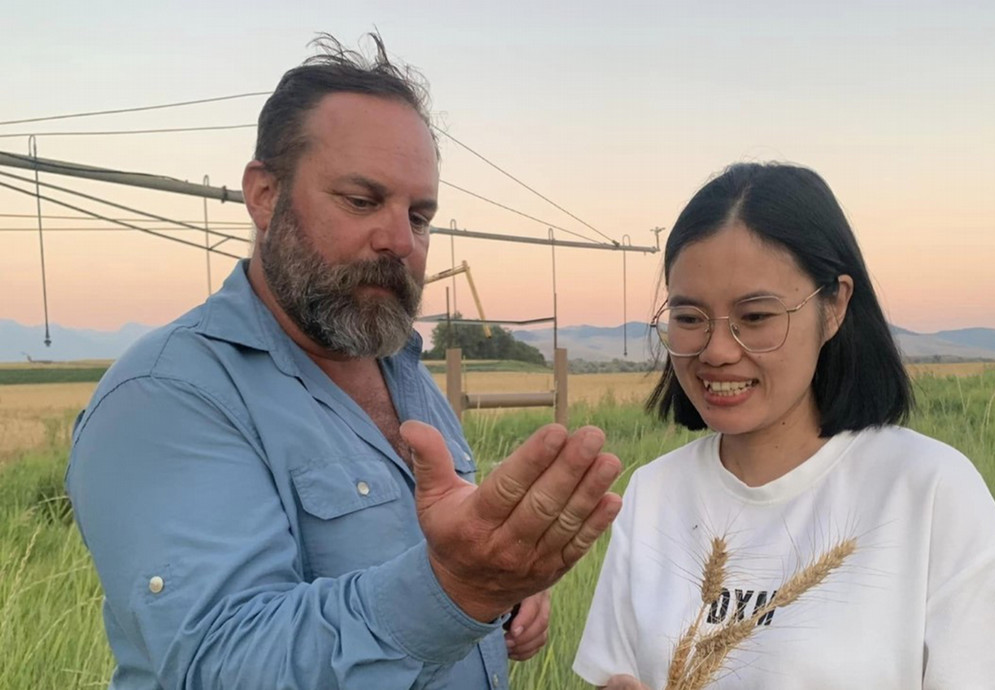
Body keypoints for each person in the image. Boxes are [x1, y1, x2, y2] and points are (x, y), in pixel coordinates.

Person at [66, 34, 624, 690]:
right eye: (362, 201)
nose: (398, 242)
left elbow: (429, 569)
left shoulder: (406, 375)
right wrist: (462, 587)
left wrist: (503, 597)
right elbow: (224, 665)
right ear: (265, 194)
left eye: (419, 216)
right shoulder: (165, 396)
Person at [573, 162, 995, 689]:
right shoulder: (653, 493)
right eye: (689, 318)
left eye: (756, 317)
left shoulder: (928, 489)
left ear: (836, 305)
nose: (718, 351)